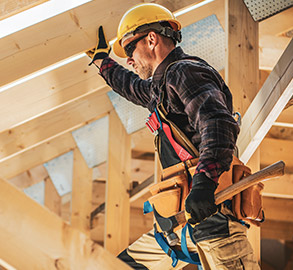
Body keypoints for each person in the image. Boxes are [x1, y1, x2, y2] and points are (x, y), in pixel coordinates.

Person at [86, 3, 261, 270]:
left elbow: (216, 122)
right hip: (179, 227)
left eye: (130, 50)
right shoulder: (162, 85)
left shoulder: (184, 72)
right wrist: (102, 61)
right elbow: (131, 87)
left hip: (214, 224)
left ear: (152, 39)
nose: (129, 60)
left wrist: (204, 183)